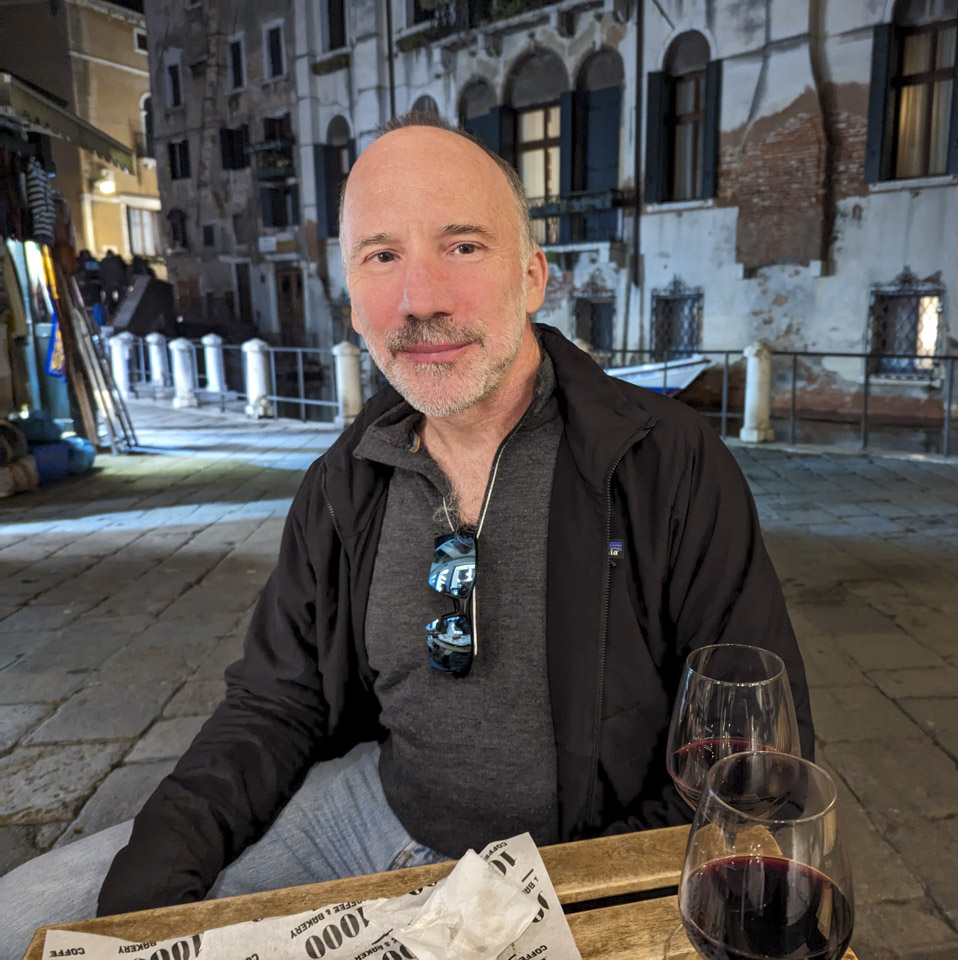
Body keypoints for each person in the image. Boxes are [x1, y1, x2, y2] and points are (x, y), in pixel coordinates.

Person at [0, 112, 813, 953]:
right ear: (352, 300)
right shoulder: (345, 479)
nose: (420, 299)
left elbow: (750, 754)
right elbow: (275, 700)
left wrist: (545, 901)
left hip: (573, 853)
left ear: (532, 277)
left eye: (462, 246)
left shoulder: (663, 463)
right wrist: (147, 901)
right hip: (371, 812)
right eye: (382, 256)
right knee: (25, 917)